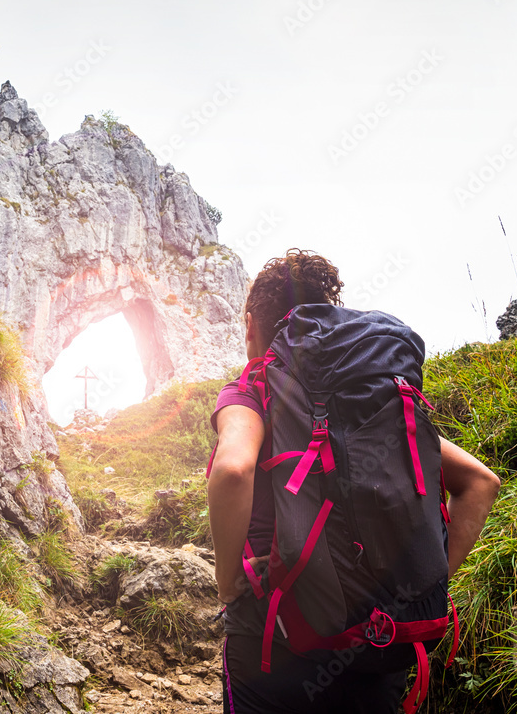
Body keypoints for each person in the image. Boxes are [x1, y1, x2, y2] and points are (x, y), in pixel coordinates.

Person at [208, 249, 501, 714]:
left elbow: (232, 470)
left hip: (277, 640)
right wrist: (419, 588)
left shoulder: (254, 388)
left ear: (250, 325)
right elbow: (481, 483)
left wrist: (226, 582)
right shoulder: (369, 400)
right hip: (378, 641)